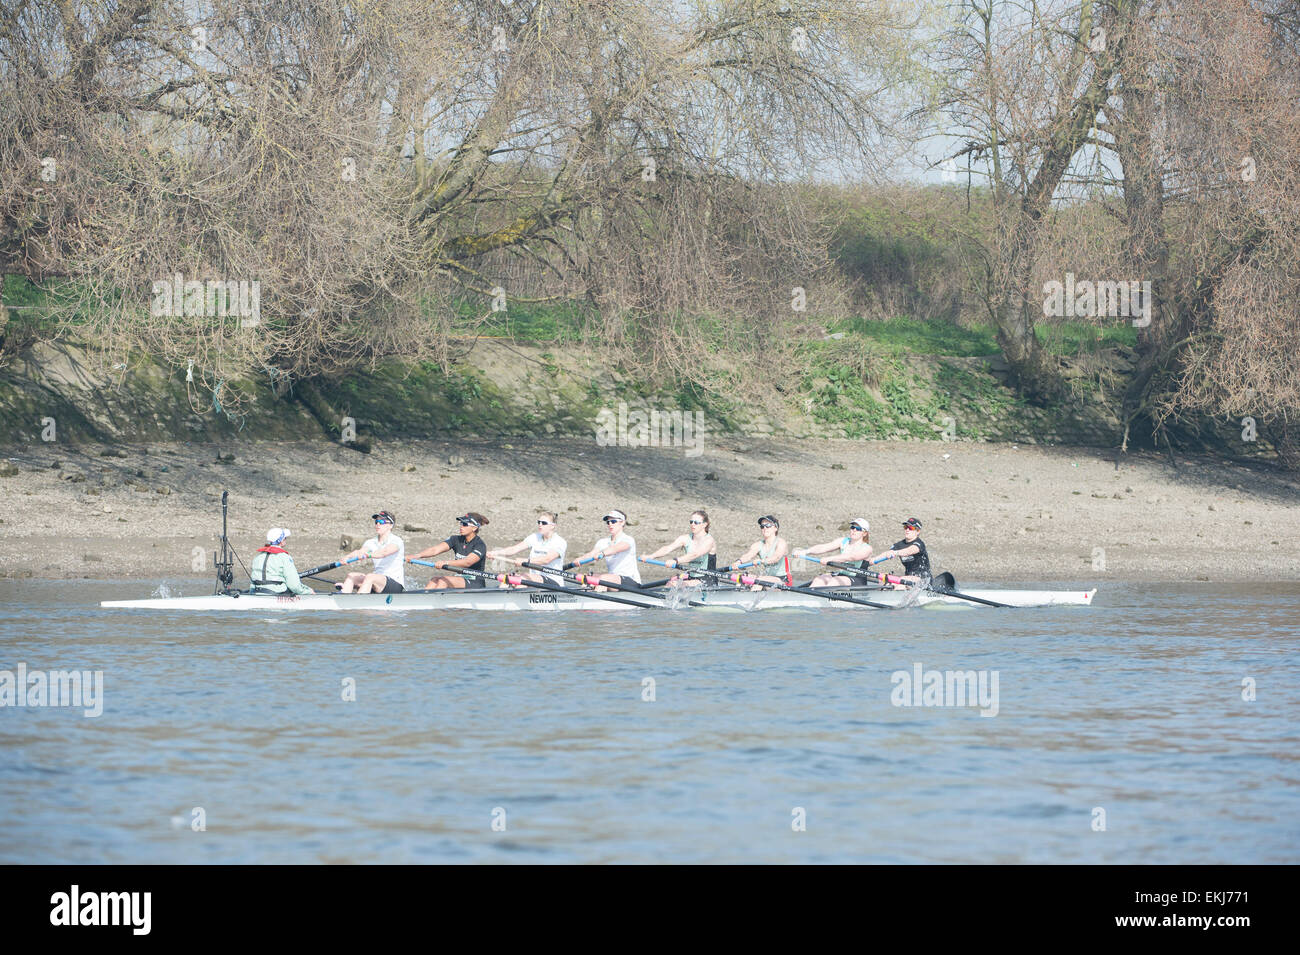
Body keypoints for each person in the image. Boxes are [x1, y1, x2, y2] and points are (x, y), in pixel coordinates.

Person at [411, 513, 490, 589]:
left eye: (465, 524)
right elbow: (435, 550)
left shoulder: (480, 545)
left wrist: (446, 563)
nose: (461, 527)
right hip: (460, 578)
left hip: (475, 581)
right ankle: (423, 600)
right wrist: (416, 556)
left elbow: (467, 562)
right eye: (461, 523)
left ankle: (434, 601)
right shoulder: (455, 539)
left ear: (474, 528)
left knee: (443, 581)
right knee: (434, 580)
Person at [487, 512, 568, 584]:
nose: (540, 525)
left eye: (543, 523)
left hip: (553, 581)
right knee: (506, 580)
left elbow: (546, 560)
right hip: (534, 579)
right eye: (538, 522)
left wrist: (526, 561)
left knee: (521, 580)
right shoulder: (534, 537)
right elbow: (514, 549)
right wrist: (495, 553)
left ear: (552, 526)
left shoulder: (560, 542)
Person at [793, 518, 874, 588]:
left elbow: (852, 557)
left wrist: (829, 559)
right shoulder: (843, 541)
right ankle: (808, 600)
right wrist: (805, 552)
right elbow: (824, 547)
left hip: (857, 580)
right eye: (852, 527)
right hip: (841, 575)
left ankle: (825, 601)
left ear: (864, 533)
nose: (854, 530)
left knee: (835, 581)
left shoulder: (867, 548)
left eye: (858, 529)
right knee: (820, 579)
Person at [570, 509, 641, 589]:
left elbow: (616, 548)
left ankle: (598, 592)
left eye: (613, 521)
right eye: (608, 522)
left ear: (622, 522)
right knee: (587, 578)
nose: (610, 524)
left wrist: (602, 553)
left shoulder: (628, 539)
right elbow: (591, 554)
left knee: (603, 579)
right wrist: (580, 559)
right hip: (614, 579)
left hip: (630, 580)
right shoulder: (603, 542)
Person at [644, 510, 716, 586]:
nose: (693, 524)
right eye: (691, 522)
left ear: (705, 524)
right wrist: (651, 556)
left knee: (675, 585)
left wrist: (676, 561)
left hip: (708, 579)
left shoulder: (709, 540)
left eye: (696, 522)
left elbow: (695, 554)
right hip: (691, 577)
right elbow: (668, 548)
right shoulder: (685, 538)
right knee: (669, 584)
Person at [340, 511, 406, 593]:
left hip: (395, 584)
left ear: (390, 525)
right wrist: (347, 557)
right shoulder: (370, 542)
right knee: (352, 576)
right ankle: (343, 599)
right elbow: (360, 551)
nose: (378, 524)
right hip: (377, 580)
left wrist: (368, 555)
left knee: (370, 577)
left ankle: (358, 602)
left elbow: (384, 553)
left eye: (381, 522)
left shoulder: (396, 540)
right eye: (376, 522)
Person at [249, 528, 314, 596]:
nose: (285, 540)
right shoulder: (284, 557)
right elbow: (294, 586)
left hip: (255, 592)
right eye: (285, 538)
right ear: (281, 541)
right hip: (276, 593)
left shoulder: (258, 556)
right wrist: (308, 591)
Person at [730, 515, 790, 586]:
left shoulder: (781, 542)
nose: (765, 528)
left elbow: (776, 557)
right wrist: (738, 562)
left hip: (783, 580)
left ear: (775, 528)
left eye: (768, 525)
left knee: (758, 582)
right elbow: (748, 555)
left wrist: (762, 561)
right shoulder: (758, 545)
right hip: (767, 578)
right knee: (743, 578)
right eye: (762, 526)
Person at [875, 517, 931, 586]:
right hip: (908, 578)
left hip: (923, 579)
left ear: (918, 531)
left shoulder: (919, 544)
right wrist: (870, 561)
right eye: (906, 527)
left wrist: (895, 553)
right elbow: (886, 554)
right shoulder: (899, 545)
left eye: (911, 528)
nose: (907, 530)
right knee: (882, 580)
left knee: (899, 581)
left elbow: (909, 551)